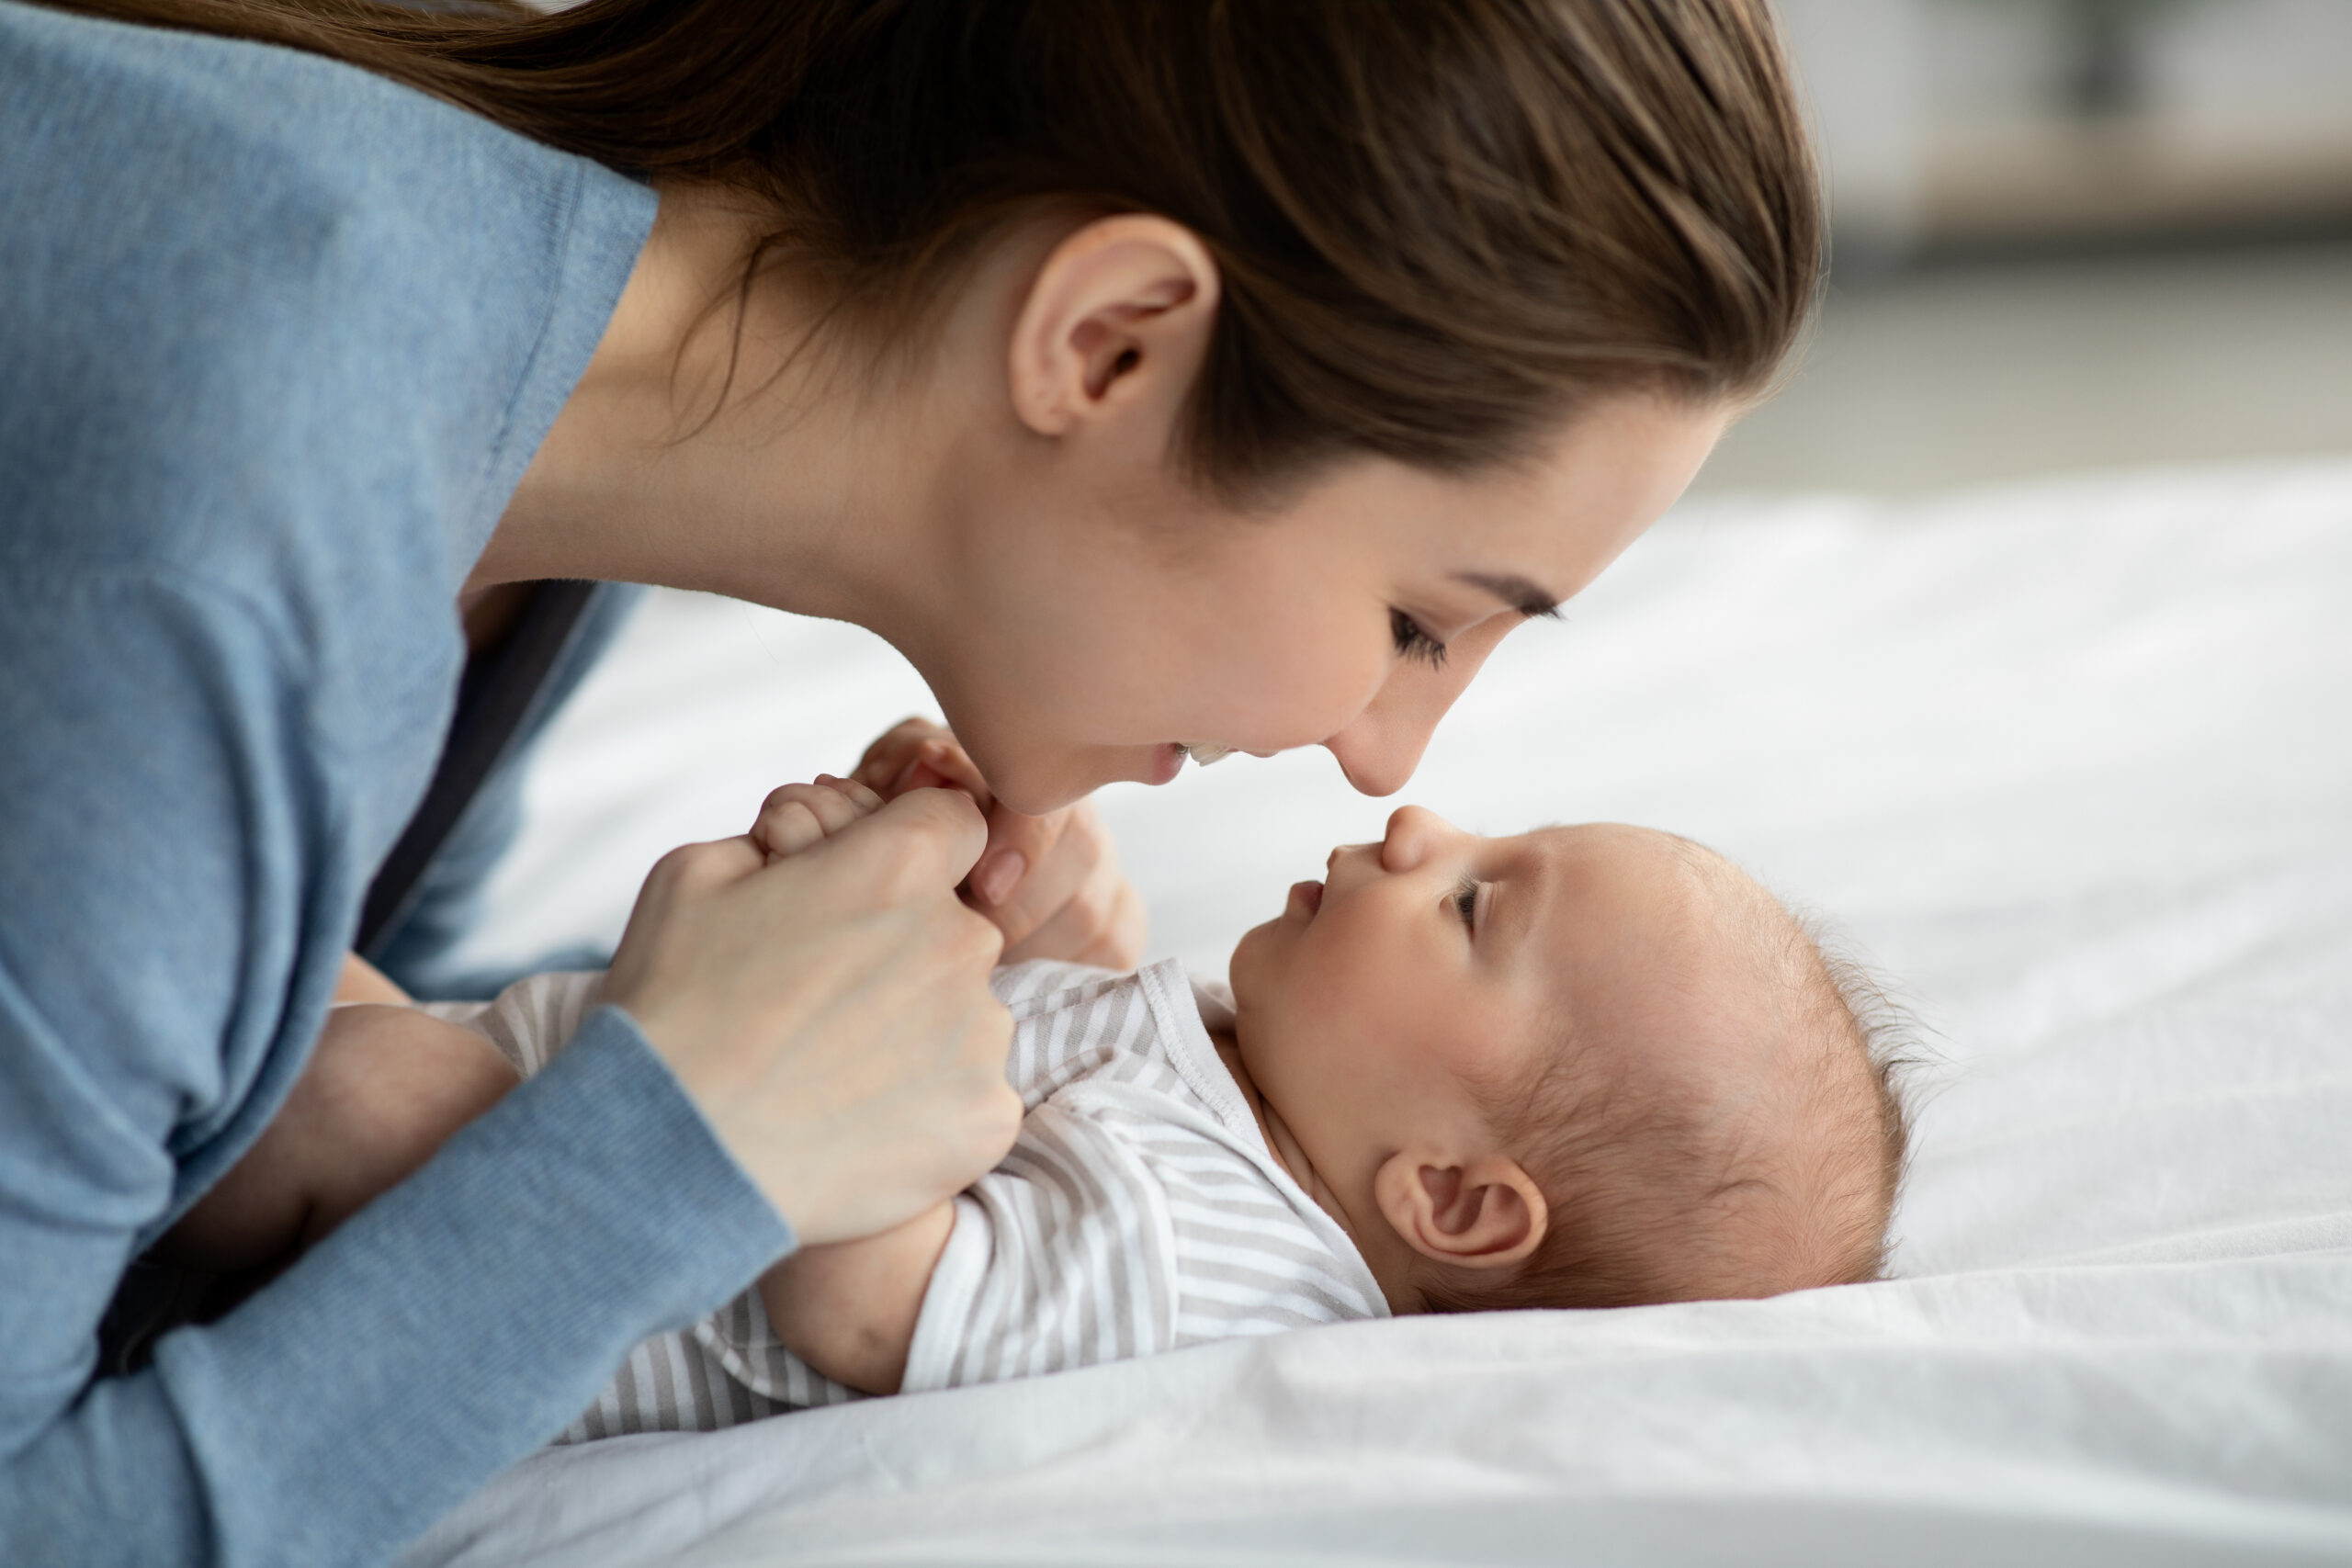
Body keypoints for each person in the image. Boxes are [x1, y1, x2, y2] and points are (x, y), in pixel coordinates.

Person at [0, 0, 1822, 1562]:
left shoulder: (516, 414)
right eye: (1420, 619)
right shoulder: (224, 546)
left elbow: (248, 1023)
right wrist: (682, 1139)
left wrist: (792, 1003)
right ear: (1107, 342)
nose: (1386, 757)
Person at [160, 761, 1914, 1434]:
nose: (1415, 825)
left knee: (354, 1085)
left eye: (1473, 905)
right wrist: (1017, 910)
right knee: (274, 958)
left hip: (525, 1261)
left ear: (1450, 1201)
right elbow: (1035, 1043)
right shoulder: (1244, 1067)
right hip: (528, 1075)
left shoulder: (1206, 1253)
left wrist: (845, 976)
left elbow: (871, 1306)